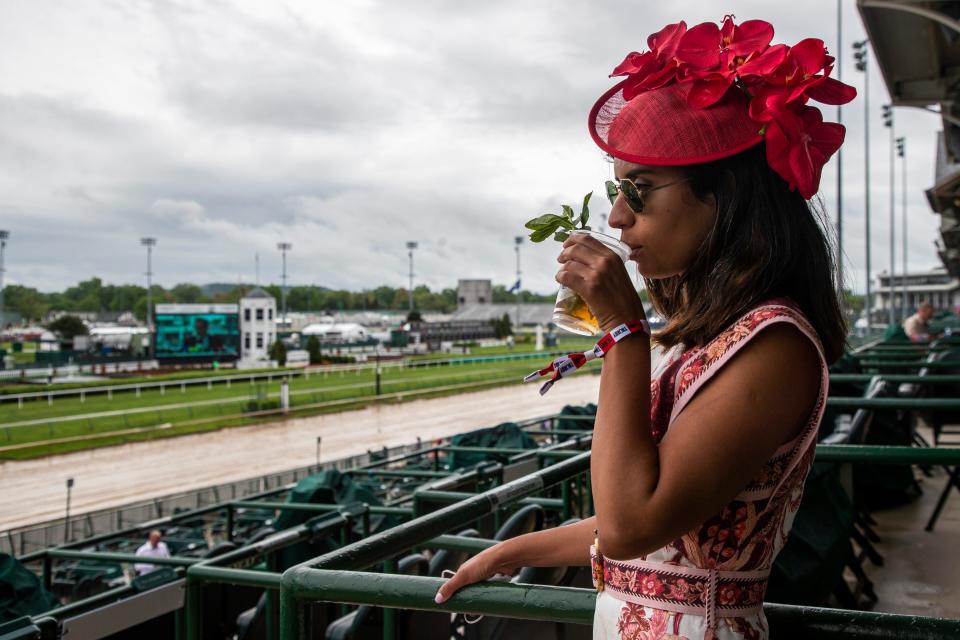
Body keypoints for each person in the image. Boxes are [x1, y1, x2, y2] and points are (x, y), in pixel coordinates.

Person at [436, 16, 854, 639]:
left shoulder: (776, 344)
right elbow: (664, 533)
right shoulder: (716, 336)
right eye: (616, 188)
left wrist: (622, 335)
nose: (616, 215)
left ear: (726, 197)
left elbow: (632, 523)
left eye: (640, 188)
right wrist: (514, 551)